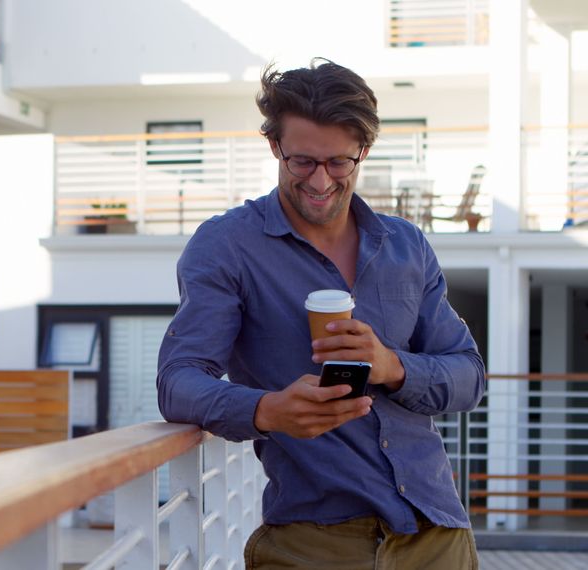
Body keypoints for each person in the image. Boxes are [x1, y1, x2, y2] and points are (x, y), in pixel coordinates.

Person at [156, 59, 485, 569]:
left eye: (338, 163)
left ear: (363, 153)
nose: (320, 180)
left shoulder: (407, 246)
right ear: (275, 148)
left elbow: (468, 376)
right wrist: (266, 410)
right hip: (311, 542)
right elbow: (178, 380)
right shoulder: (226, 246)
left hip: (437, 533)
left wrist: (392, 365)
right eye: (302, 161)